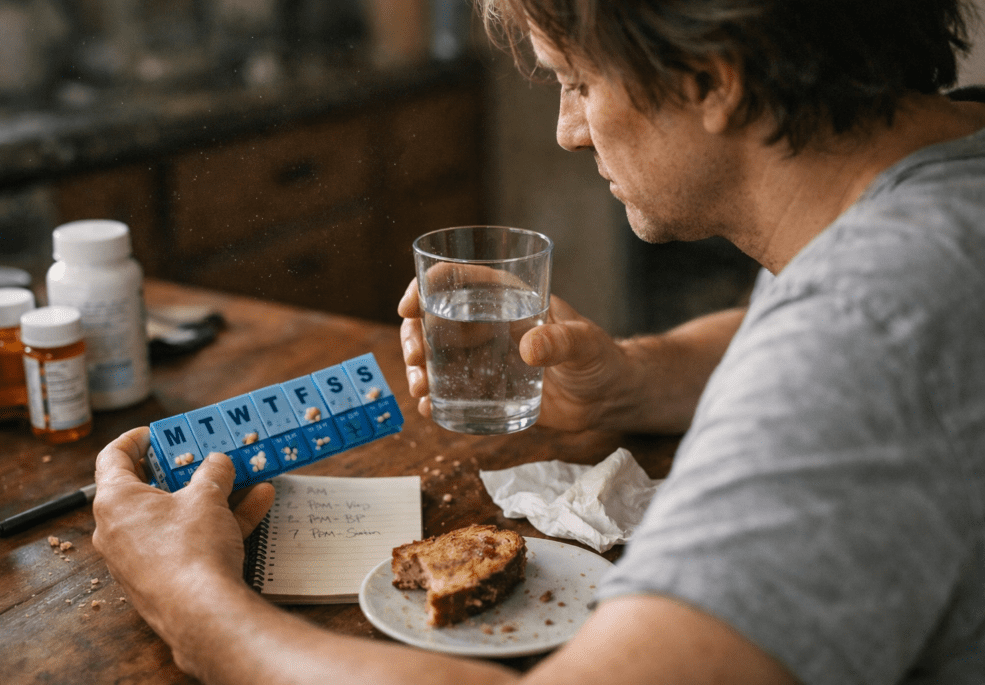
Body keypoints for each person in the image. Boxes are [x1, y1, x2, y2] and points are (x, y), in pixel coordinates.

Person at [92, 0, 985, 683]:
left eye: (579, 83)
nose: (566, 129)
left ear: (716, 78)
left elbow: (853, 352)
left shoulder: (871, 326)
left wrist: (192, 601)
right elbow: (790, 324)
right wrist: (631, 379)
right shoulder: (940, 170)